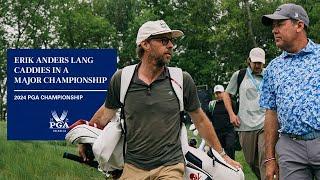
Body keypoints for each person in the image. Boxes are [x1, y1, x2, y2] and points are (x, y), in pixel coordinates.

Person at [78, 20, 241, 179]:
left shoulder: (182, 80)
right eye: (164, 41)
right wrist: (85, 140)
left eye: (171, 41)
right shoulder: (122, 79)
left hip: (170, 166)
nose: (170, 45)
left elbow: (200, 121)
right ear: (145, 44)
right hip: (132, 167)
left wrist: (222, 155)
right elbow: (105, 114)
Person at [260, 3, 320, 180]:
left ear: (299, 25)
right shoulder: (273, 68)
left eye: (279, 24)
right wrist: (270, 158)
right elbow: (271, 113)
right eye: (273, 26)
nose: (274, 31)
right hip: (290, 149)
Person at [221, 47, 266, 179]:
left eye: (260, 63)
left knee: (265, 158)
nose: (257, 65)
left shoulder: (269, 74)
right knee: (251, 161)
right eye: (255, 62)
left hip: (265, 123)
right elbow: (226, 94)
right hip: (245, 125)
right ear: (249, 61)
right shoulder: (239, 75)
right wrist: (231, 114)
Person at [208, 85, 236, 159]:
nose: (218, 95)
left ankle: (232, 168)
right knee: (218, 153)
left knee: (230, 149)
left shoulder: (231, 103)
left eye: (219, 93)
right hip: (217, 133)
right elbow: (209, 118)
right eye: (216, 93)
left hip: (229, 131)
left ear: (224, 93)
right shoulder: (212, 105)